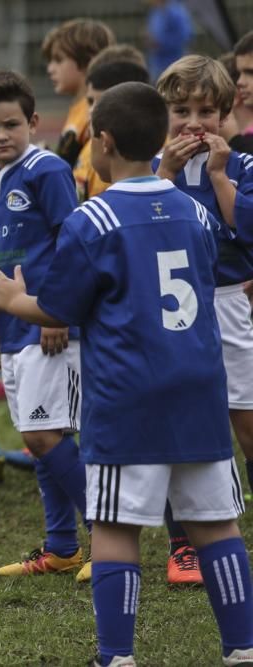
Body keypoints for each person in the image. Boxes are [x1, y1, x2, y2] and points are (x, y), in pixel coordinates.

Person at [0, 79, 253, 667]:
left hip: (129, 394)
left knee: (115, 528)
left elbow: (59, 307)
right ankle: (243, 648)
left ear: (101, 143)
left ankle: (116, 656)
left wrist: (11, 298)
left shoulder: (93, 218)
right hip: (200, 388)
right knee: (217, 526)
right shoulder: (194, 211)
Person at [0, 69, 90, 577]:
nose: (1, 136)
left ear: (33, 122)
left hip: (47, 326)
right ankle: (62, 547)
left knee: (45, 437)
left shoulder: (48, 170)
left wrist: (55, 311)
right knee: (39, 437)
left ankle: (106, 533)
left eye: (11, 125)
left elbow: (72, 243)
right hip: (13, 332)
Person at [153, 54, 253, 585]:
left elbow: (248, 229)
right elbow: (145, 224)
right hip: (172, 308)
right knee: (180, 419)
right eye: (180, 109)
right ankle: (181, 544)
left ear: (227, 110)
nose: (193, 122)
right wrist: (166, 172)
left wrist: (217, 175)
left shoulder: (241, 166)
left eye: (206, 111)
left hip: (230, 300)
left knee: (245, 418)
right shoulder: (151, 169)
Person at [42, 19, 116, 168]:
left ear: (88, 59)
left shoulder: (92, 111)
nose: (50, 69)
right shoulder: (78, 107)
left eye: (58, 60)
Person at [75, 59, 151, 200]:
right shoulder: (92, 145)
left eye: (103, 102)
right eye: (90, 102)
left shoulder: (114, 160)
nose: (93, 111)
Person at [144, 0, 193, 80]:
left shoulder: (177, 11)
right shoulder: (155, 12)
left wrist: (160, 43)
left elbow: (185, 37)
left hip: (174, 64)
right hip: (156, 65)